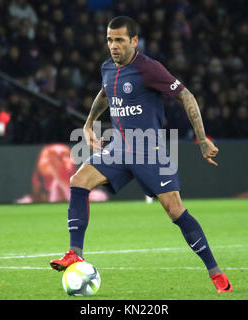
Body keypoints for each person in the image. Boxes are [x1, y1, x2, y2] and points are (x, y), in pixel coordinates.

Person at [49, 16, 232, 293]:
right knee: (78, 181)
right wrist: (88, 123)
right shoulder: (108, 68)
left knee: (175, 210)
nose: (113, 46)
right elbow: (105, 93)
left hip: (150, 149)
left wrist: (202, 139)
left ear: (134, 41)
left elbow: (187, 96)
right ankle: (75, 252)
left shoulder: (150, 69)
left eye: (120, 40)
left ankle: (215, 272)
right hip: (120, 147)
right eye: (110, 40)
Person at [16, 144, 108, 203]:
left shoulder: (95, 197)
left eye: (64, 156)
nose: (57, 161)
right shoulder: (27, 202)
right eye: (51, 156)